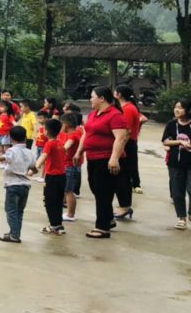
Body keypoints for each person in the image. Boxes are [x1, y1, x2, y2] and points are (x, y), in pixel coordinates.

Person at [75, 87, 129, 239]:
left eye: (92, 96)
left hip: (106, 159)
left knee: (103, 193)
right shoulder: (93, 114)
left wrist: (114, 158)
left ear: (102, 98)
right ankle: (108, 219)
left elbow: (121, 138)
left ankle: (102, 227)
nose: (90, 99)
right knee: (96, 189)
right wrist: (79, 151)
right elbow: (86, 134)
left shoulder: (115, 115)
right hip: (93, 158)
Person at [0, 126, 35, 243]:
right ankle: (15, 232)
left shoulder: (11, 151)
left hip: (13, 185)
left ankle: (14, 235)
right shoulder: (30, 152)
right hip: (25, 185)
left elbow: (3, 157)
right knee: (19, 211)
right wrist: (30, 172)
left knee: (11, 211)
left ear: (11, 138)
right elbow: (34, 168)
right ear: (25, 138)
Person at [33, 118, 68, 235]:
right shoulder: (60, 143)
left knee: (49, 201)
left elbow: (43, 156)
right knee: (58, 201)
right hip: (62, 176)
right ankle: (58, 224)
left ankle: (54, 226)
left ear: (46, 131)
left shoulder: (49, 144)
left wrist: (35, 167)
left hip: (52, 177)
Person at [162, 98, 191, 230]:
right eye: (176, 107)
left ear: (188, 110)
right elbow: (166, 141)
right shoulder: (171, 124)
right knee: (177, 192)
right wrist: (179, 142)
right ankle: (181, 218)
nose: (177, 110)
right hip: (175, 163)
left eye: (180, 107)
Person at [115, 84, 147, 199]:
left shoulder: (128, 108)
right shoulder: (126, 107)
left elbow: (126, 130)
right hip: (128, 140)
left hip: (127, 141)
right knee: (129, 164)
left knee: (127, 164)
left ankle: (132, 185)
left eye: (115, 91)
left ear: (119, 94)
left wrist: (121, 144)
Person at [61, 111, 84, 222]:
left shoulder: (72, 135)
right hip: (74, 166)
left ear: (66, 125)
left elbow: (67, 145)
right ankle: (69, 212)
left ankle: (70, 214)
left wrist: (60, 150)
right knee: (68, 190)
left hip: (69, 166)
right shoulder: (78, 132)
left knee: (69, 191)